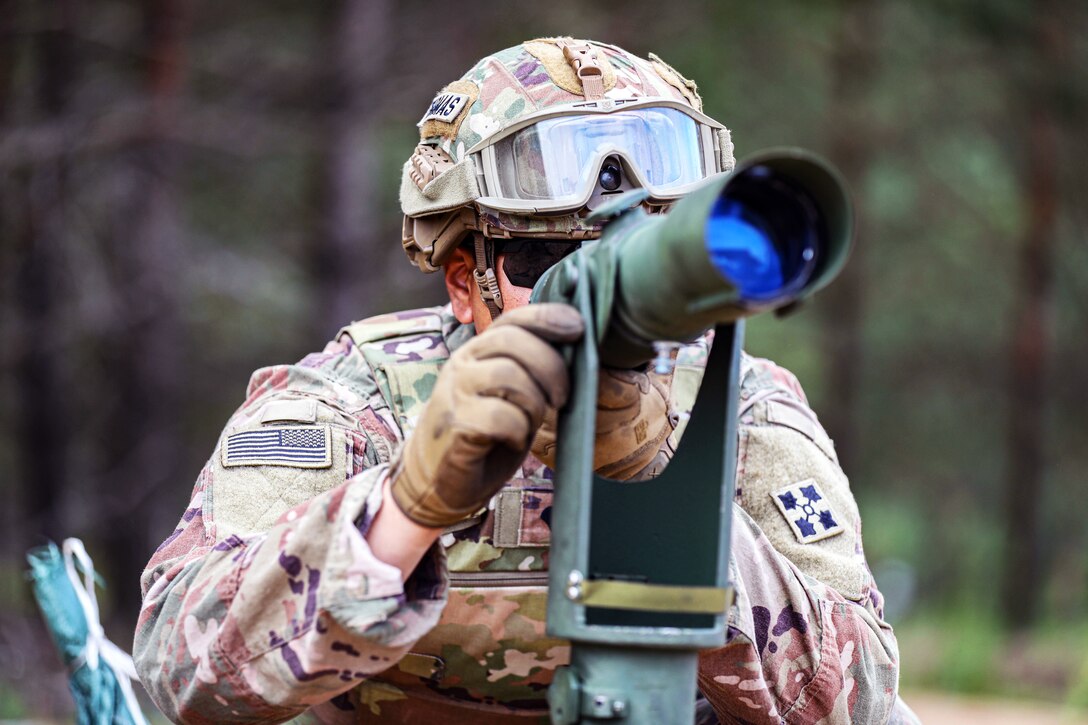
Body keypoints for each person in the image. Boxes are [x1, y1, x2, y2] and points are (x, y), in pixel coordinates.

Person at [134, 38, 916, 724]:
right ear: (463, 279)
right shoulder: (355, 402)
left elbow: (862, 701)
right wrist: (406, 507)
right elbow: (180, 669)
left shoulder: (735, 405)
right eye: (542, 263)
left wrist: (658, 489)